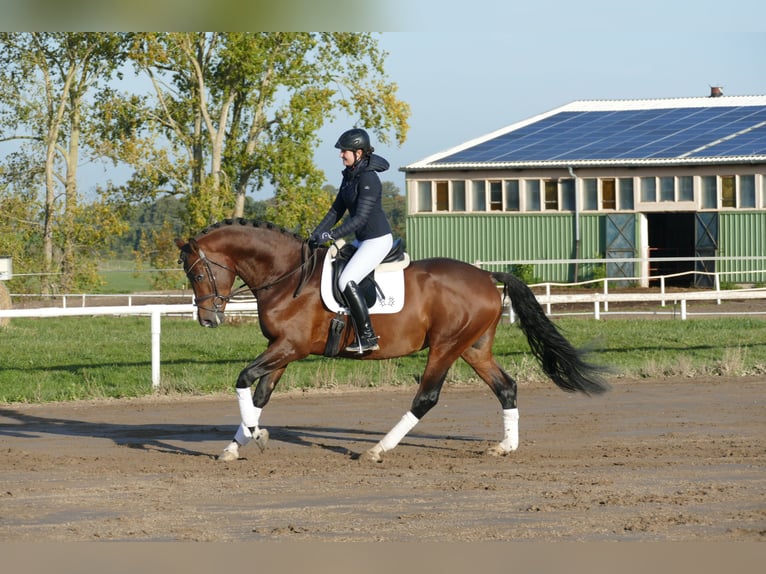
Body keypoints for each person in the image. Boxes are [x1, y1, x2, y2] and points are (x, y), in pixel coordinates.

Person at [309, 128, 393, 353]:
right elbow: (336, 211)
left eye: (344, 151)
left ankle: (367, 336)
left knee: (346, 280)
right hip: (362, 241)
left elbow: (360, 218)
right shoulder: (349, 175)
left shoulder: (368, 178)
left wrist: (332, 235)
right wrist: (316, 235)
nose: (340, 155)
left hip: (377, 240)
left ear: (358, 152)